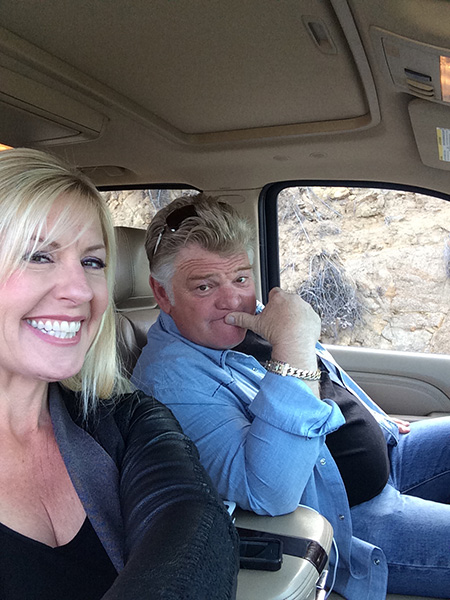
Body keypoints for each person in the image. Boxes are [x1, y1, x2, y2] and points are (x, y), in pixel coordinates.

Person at [132, 193, 450, 600]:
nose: (232, 300)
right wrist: (294, 344)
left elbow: (325, 377)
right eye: (204, 286)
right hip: (348, 514)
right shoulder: (169, 381)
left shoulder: (249, 318)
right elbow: (268, 492)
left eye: (241, 278)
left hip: (394, 453)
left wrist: (377, 419)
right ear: (162, 294)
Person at [0, 150, 239, 600]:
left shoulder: (125, 420)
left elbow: (192, 522)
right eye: (38, 256)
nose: (81, 291)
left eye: (92, 263)